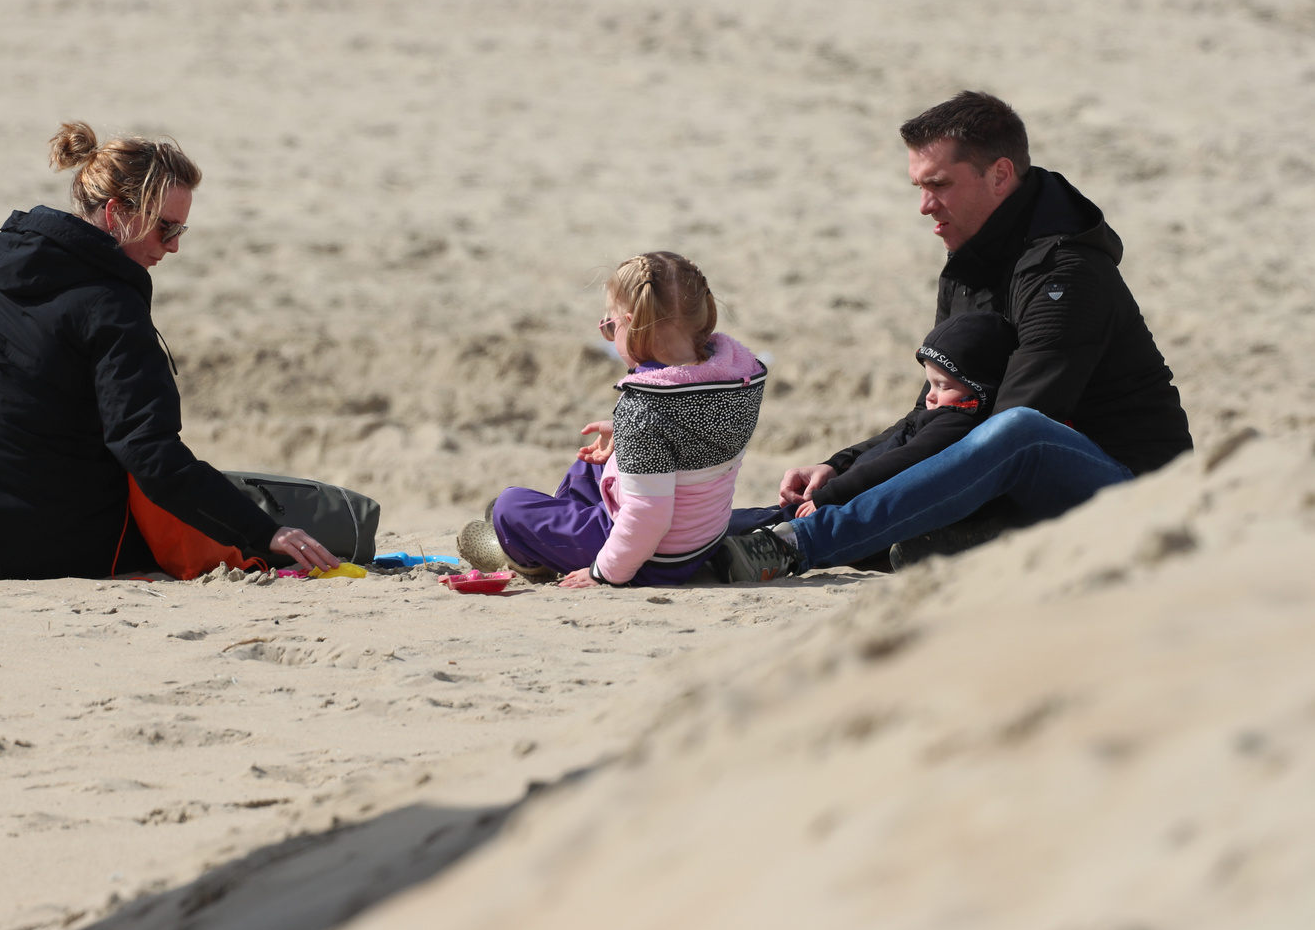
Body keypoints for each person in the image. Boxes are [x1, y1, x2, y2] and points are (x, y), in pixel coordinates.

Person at [714, 91, 1191, 582]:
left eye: (939, 184)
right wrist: (841, 467)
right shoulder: (969, 264)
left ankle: (800, 546)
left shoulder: (1065, 273)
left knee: (1019, 432)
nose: (924, 206)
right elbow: (939, 411)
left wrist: (846, 494)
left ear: (1000, 175)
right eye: (918, 186)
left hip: (1134, 491)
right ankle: (760, 536)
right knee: (943, 472)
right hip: (1016, 475)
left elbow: (996, 432)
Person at [0, 121, 340, 579]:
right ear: (116, 212)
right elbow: (149, 453)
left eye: (182, 229)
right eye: (166, 227)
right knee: (193, 522)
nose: (174, 246)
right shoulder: (109, 305)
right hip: (48, 555)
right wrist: (263, 532)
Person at [460, 252, 767, 588]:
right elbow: (690, 438)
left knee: (509, 506)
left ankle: (524, 553)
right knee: (594, 462)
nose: (609, 332)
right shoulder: (736, 375)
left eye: (610, 326)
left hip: (654, 558)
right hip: (702, 536)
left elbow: (649, 519)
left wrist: (604, 571)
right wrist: (625, 435)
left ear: (632, 325)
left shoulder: (645, 412)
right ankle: (542, 526)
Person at [788, 311, 1017, 516]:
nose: (930, 396)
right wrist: (836, 466)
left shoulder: (957, 422)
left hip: (854, 503)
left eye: (943, 386)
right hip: (846, 492)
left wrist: (832, 494)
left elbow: (901, 460)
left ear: (979, 388)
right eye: (929, 384)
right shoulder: (945, 411)